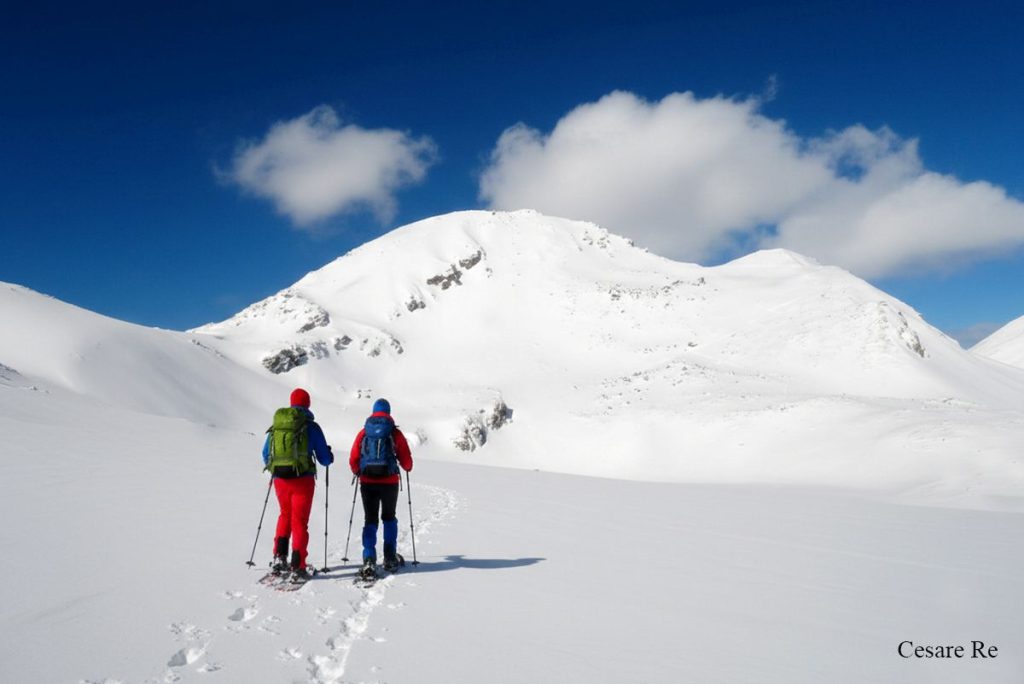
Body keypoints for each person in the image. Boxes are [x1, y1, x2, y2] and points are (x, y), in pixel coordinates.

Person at [262, 388, 333, 579]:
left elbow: (265, 453)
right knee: (299, 521)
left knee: (284, 515)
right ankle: (298, 564)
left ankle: (279, 557)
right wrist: (328, 454)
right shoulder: (311, 427)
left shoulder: (278, 426)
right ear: (308, 404)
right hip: (303, 480)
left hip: (280, 480)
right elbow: (324, 459)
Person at [349, 398, 413, 576]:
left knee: (370, 520)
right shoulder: (394, 433)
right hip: (389, 482)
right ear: (389, 412)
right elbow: (407, 461)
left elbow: (353, 458)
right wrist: (406, 467)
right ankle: (390, 557)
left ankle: (369, 558)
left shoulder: (364, 432)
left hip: (367, 482)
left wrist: (358, 471)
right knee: (389, 518)